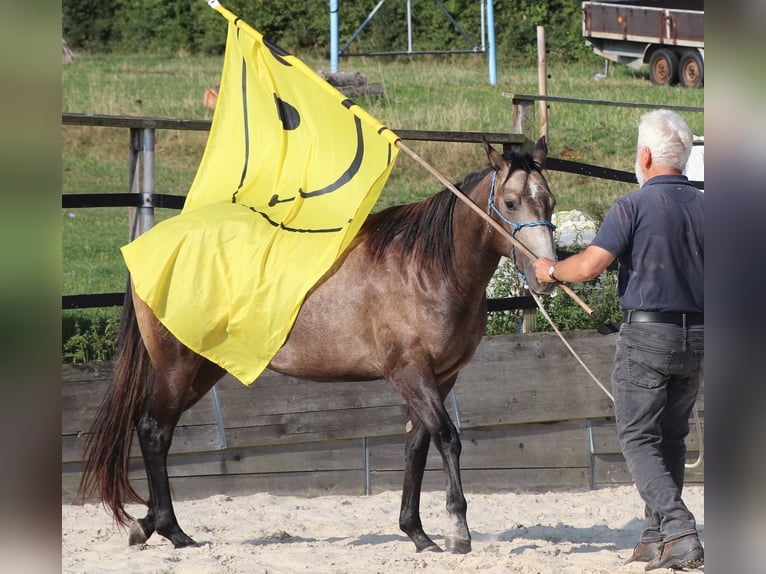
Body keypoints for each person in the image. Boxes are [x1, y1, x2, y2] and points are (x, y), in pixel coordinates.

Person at [533, 109, 704, 571]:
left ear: (645, 156)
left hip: (649, 336)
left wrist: (550, 270)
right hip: (701, 337)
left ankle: (680, 528)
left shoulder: (632, 207)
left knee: (636, 436)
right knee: (671, 435)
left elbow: (588, 266)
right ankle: (654, 538)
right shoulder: (711, 206)